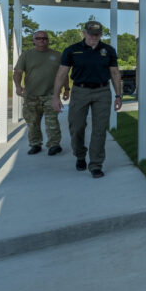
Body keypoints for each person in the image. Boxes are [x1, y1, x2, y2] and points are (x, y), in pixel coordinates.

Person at [52, 21, 123, 179]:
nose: (94, 37)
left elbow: (115, 74)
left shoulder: (108, 50)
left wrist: (118, 95)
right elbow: (61, 74)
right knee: (76, 126)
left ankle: (96, 164)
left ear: (100, 34)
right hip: (80, 91)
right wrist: (56, 96)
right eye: (91, 33)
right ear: (84, 33)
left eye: (97, 34)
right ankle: (80, 155)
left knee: (99, 130)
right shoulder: (72, 50)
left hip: (102, 91)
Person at [13, 31, 67, 155]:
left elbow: (63, 74)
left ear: (48, 40)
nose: (41, 40)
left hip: (51, 95)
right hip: (31, 95)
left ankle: (54, 145)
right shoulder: (26, 55)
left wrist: (66, 89)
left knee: (52, 122)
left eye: (44, 38)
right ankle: (35, 144)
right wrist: (17, 86)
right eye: (38, 38)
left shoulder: (58, 55)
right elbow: (17, 72)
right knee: (32, 123)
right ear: (34, 40)